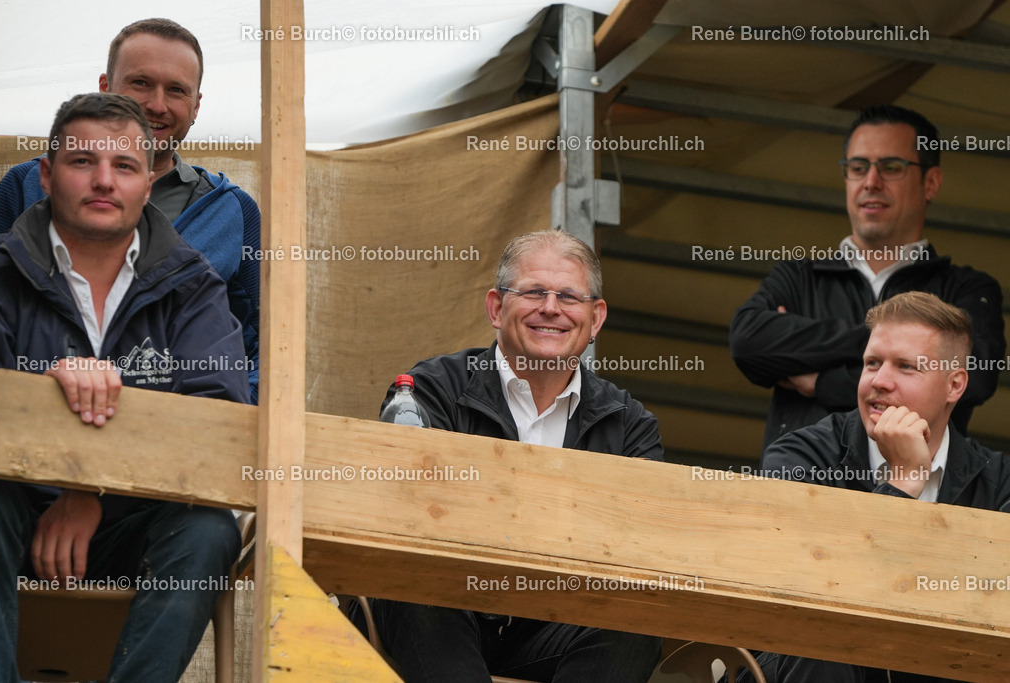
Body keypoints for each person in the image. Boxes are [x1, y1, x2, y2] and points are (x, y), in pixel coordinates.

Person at [0, 93, 249, 682]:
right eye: (83, 162)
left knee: (208, 530)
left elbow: (219, 421)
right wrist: (46, 390)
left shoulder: (193, 286)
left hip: (125, 522)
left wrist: (92, 490)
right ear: (46, 175)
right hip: (9, 512)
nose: (104, 180)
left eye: (125, 166)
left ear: (147, 184)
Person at [362, 230, 665, 682]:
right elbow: (408, 514)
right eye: (533, 292)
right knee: (416, 587)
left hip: (547, 626)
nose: (551, 308)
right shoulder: (431, 390)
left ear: (595, 317)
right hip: (440, 611)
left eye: (568, 296)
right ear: (496, 308)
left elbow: (640, 547)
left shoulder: (630, 423)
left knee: (635, 620)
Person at [739, 291, 1010, 683]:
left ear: (954, 386)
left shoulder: (999, 482)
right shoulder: (801, 456)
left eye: (906, 367)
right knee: (825, 637)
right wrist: (902, 483)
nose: (879, 382)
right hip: (814, 666)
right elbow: (822, 589)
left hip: (942, 667)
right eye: (871, 363)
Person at [0, 18, 261, 403]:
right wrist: (42, 395)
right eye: (141, 83)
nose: (157, 104)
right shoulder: (23, 185)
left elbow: (267, 345)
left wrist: (236, 413)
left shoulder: (234, 214)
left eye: (177, 90)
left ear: (196, 105)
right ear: (105, 87)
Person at [729, 105, 1004, 452]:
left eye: (891, 167)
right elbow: (747, 342)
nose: (871, 182)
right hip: (800, 488)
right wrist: (911, 352)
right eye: (858, 168)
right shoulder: (800, 276)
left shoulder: (967, 289)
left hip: (919, 497)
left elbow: (976, 377)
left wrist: (823, 382)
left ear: (930, 183)